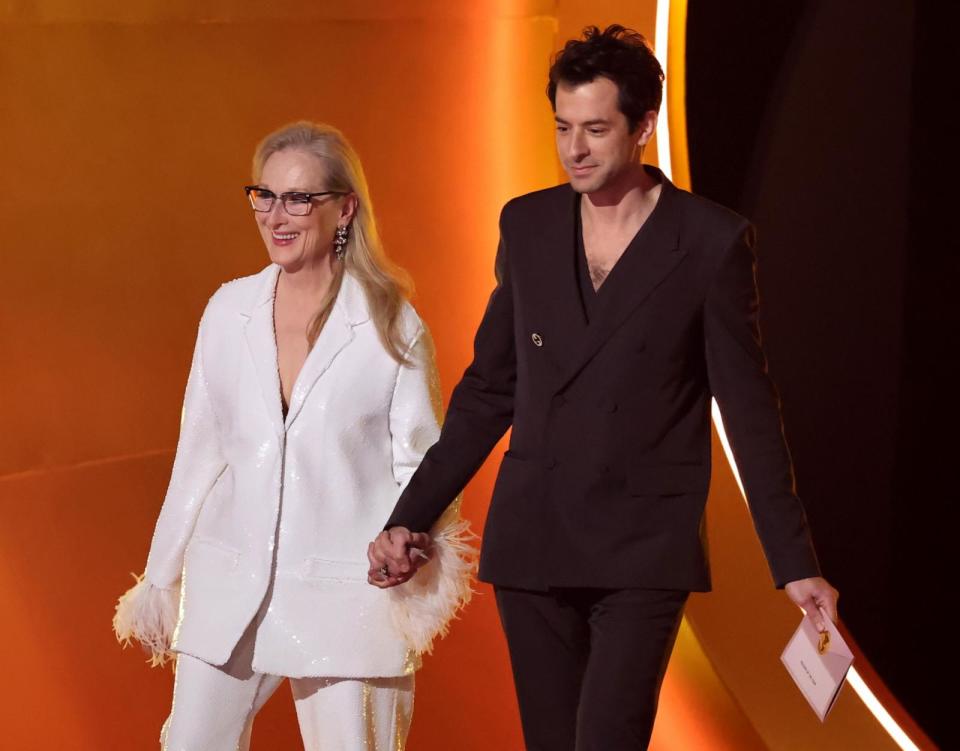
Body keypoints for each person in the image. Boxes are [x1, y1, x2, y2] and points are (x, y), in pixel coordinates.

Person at [368, 25, 839, 751]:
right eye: (562, 127)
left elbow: (749, 411)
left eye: (595, 128)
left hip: (642, 548)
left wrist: (794, 562)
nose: (574, 149)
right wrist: (413, 515)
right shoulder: (525, 225)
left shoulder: (710, 242)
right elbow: (491, 387)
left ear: (644, 126)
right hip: (535, 538)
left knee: (608, 739)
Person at [113, 121, 474, 751]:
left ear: (344, 208)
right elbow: (199, 452)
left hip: (346, 592)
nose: (277, 216)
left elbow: (424, 462)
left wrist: (412, 551)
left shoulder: (390, 323)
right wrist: (160, 574)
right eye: (266, 195)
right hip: (228, 582)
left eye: (299, 198)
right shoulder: (229, 310)